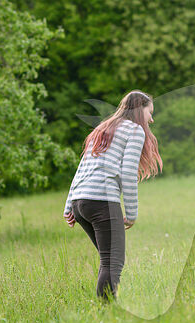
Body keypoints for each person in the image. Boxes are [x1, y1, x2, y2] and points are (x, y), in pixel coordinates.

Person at [63, 90, 162, 300]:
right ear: (139, 110)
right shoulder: (135, 130)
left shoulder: (102, 128)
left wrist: (69, 205)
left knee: (107, 259)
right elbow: (127, 173)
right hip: (102, 200)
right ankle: (107, 313)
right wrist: (132, 214)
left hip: (81, 201)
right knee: (113, 262)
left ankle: (106, 310)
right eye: (149, 112)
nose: (151, 119)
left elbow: (82, 166)